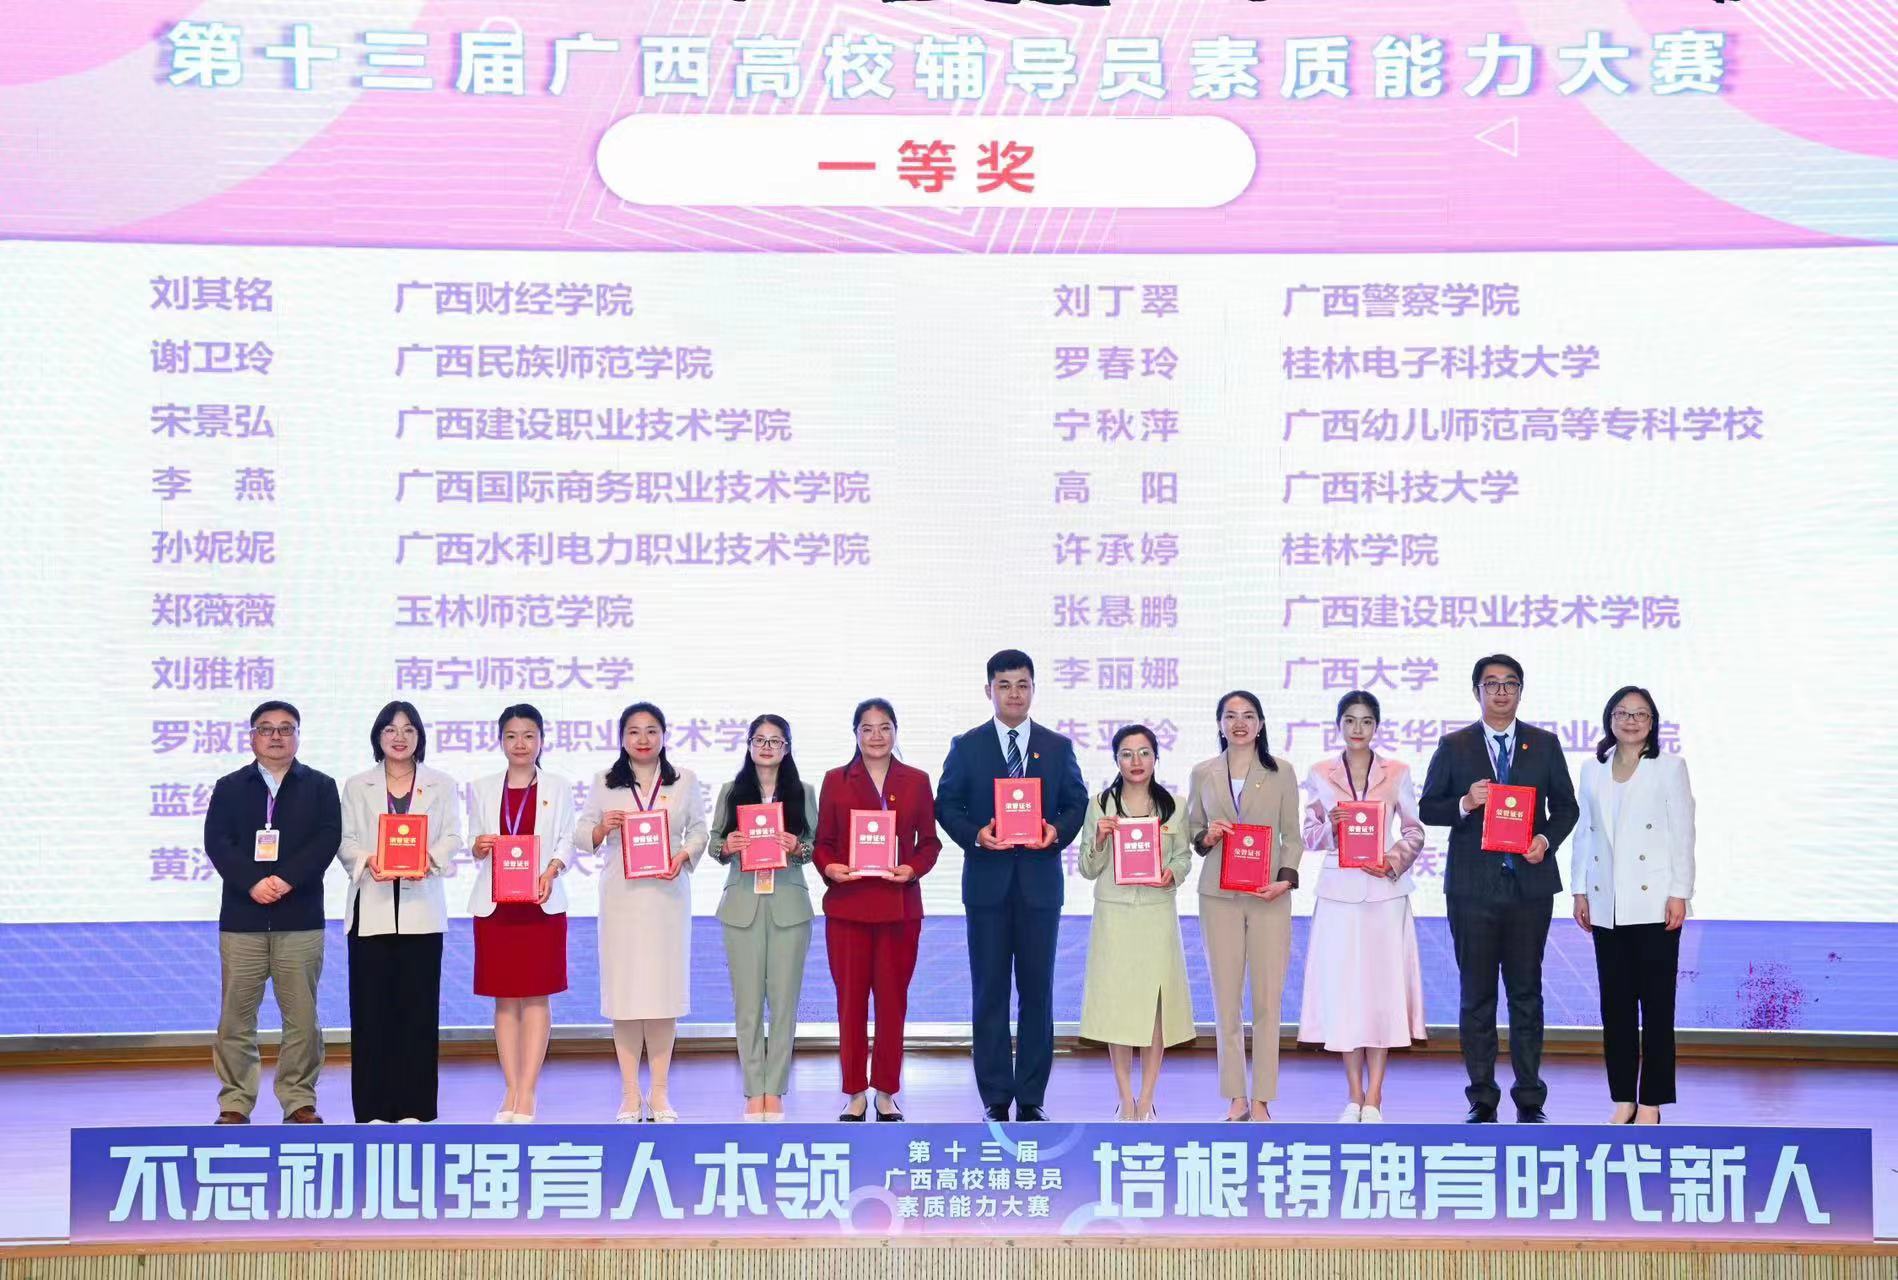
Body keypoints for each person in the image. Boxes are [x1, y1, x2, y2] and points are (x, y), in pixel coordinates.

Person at [1419, 654, 1580, 1123]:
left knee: (1526, 994)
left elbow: (1566, 807)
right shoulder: (1455, 745)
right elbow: (1428, 807)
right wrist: (1466, 802)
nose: (1502, 691)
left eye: (1510, 683)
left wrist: (1545, 840)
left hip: (1529, 889)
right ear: (1477, 692)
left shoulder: (1544, 744)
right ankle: (1482, 1097)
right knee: (1477, 996)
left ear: (1521, 690)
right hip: (1472, 891)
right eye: (1491, 684)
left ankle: (1530, 1098)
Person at [936, 650, 1088, 1123]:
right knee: (990, 992)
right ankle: (996, 1096)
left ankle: (1032, 1096)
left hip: (1040, 887)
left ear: (1033, 689)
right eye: (1004, 685)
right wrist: (976, 834)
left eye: (1022, 684)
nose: (1014, 694)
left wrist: (1055, 832)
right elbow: (947, 804)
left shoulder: (1057, 746)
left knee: (1038, 992)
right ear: (989, 690)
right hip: (987, 887)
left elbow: (1076, 802)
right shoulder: (968, 746)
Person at [201, 700, 341, 1124]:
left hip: (300, 918)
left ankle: (298, 1100)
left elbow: (327, 839)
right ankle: (235, 1102)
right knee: (235, 1018)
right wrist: (252, 882)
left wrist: (286, 880)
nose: (276, 736)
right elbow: (217, 841)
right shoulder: (229, 786)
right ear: (252, 738)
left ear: (298, 735)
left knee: (302, 1019)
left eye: (286, 728)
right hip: (242, 919)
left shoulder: (320, 786)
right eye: (266, 728)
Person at [1296, 691, 1427, 1123]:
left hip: (1385, 895)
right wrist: (1330, 830)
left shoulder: (1397, 772)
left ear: (1376, 726)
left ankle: (1375, 1095)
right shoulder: (1320, 773)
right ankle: (1353, 1094)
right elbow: (1308, 834)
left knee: (1382, 994)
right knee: (1346, 995)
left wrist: (1392, 861)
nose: (1357, 729)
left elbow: (1414, 830)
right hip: (1338, 896)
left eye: (1366, 721)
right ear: (1338, 725)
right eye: (1350, 720)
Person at [577, 702, 708, 1122]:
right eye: (634, 731)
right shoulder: (604, 782)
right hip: (622, 899)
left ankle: (661, 1093)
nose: (643, 739)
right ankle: (630, 1094)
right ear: (621, 738)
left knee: (663, 995)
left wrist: (683, 855)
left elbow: (699, 830)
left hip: (668, 898)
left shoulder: (684, 780)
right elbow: (581, 834)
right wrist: (602, 828)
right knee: (626, 997)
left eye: (652, 730)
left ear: (664, 735)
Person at [1571, 685, 1696, 1124]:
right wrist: (1580, 889)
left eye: (1640, 714)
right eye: (1622, 713)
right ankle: (1623, 1097)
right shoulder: (1593, 769)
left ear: (1652, 722)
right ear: (1610, 718)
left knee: (1657, 1008)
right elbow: (1585, 833)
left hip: (1655, 903)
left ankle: (1652, 1102)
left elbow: (1683, 833)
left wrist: (1680, 892)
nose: (1630, 720)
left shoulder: (1670, 767)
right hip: (1607, 904)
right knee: (1616, 1008)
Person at [813, 698, 941, 1121]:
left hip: (899, 909)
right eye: (866, 728)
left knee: (892, 1003)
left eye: (884, 727)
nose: (876, 736)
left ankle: (886, 1092)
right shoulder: (836, 780)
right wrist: (829, 867)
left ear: (895, 731)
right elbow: (823, 843)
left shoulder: (916, 780)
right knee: (850, 1004)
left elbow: (930, 843)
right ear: (855, 734)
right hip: (848, 909)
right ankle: (854, 1092)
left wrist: (912, 868)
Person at [337, 701, 464, 1124]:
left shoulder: (441, 784)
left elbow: (453, 837)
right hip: (371, 908)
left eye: (409, 729)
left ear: (419, 737)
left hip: (421, 909)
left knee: (418, 1013)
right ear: (378, 736)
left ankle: (416, 1108)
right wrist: (368, 860)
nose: (399, 737)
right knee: (371, 1014)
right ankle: (373, 1109)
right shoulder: (358, 785)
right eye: (390, 729)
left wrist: (429, 858)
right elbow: (345, 841)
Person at [1186, 690, 1305, 1121]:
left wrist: (1285, 880)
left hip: (1268, 895)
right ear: (1220, 724)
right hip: (1218, 897)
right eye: (1231, 716)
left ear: (1261, 724)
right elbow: (1193, 831)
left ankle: (1262, 1099)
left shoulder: (1281, 772)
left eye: (1248, 715)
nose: (1239, 723)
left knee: (1268, 1000)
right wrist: (1208, 836)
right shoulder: (1203, 772)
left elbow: (1292, 835)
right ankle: (1236, 1097)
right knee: (1226, 1000)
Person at [1077, 724, 1195, 1121]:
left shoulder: (1174, 805)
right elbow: (1087, 868)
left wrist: (1172, 873)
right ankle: (1125, 1099)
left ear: (1156, 757)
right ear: (1116, 760)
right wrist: (1099, 839)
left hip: (1156, 914)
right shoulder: (1099, 804)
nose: (1136, 761)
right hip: (1115, 915)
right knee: (1119, 1005)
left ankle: (1147, 1099)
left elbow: (1183, 857)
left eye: (1144, 753)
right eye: (1126, 754)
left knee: (1155, 1008)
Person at [467, 704, 574, 1124]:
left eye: (529, 735)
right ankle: (509, 1088)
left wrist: (552, 869)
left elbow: (566, 839)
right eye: (511, 736)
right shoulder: (481, 787)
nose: (520, 744)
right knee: (505, 998)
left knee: (535, 997)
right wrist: (479, 846)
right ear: (500, 741)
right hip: (497, 906)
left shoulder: (558, 787)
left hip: (540, 904)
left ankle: (528, 1090)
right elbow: (476, 844)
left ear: (541, 740)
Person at [707, 715, 817, 1122]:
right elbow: (715, 844)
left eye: (775, 741)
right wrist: (728, 846)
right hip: (742, 905)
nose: (767, 747)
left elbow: (815, 847)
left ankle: (776, 1088)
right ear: (749, 745)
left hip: (789, 905)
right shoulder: (731, 791)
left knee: (785, 1003)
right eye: (760, 740)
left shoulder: (803, 792)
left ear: (787, 747)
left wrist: (797, 847)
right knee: (748, 1003)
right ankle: (754, 1089)